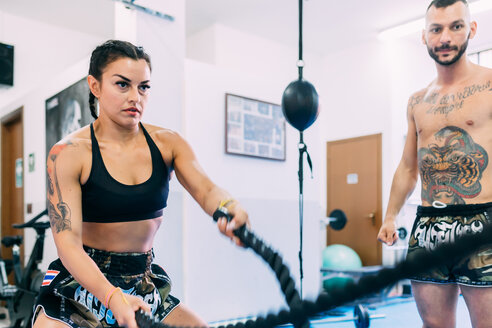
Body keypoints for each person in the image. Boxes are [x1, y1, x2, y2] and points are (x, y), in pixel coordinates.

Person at [33, 40, 249, 328]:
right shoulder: (68, 153)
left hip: (142, 281)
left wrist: (228, 206)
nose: (135, 96)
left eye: (143, 87)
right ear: (95, 86)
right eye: (122, 85)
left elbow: (207, 190)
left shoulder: (168, 143)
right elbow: (68, 244)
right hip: (81, 281)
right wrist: (111, 297)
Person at [377, 0, 492, 327]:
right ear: (424, 37)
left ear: (471, 30)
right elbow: (408, 167)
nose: (445, 37)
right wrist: (390, 214)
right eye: (436, 29)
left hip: (483, 223)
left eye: (455, 27)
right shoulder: (417, 101)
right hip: (429, 226)